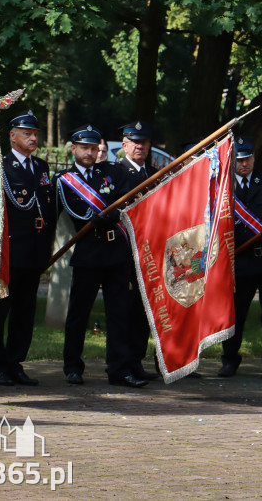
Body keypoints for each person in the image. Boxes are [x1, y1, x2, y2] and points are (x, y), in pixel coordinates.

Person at [57, 125, 145, 388]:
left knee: (118, 314)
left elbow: (126, 201)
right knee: (78, 314)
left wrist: (113, 215)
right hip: (87, 252)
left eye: (93, 148)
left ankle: (119, 370)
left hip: (116, 252)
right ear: (74, 149)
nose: (89, 152)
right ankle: (73, 367)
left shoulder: (112, 171)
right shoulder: (64, 179)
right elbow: (58, 216)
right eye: (84, 148)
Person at [0, 109, 58, 387]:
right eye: (26, 133)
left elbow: (46, 206)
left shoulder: (41, 166)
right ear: (12, 136)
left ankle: (15, 362)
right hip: (10, 250)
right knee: (0, 310)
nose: (32, 138)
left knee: (25, 311)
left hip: (34, 250)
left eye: (35, 134)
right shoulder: (0, 165)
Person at [218, 137, 262, 382]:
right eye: (239, 160)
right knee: (235, 315)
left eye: (247, 159)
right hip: (239, 262)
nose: (244, 164)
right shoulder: (223, 187)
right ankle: (229, 360)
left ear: (254, 158)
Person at [114, 121, 158, 382]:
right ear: (124, 145)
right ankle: (123, 363)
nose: (140, 146)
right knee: (124, 310)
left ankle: (137, 360)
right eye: (135, 142)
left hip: (148, 253)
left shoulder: (153, 175)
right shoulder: (115, 172)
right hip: (123, 251)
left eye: (144, 142)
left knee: (143, 311)